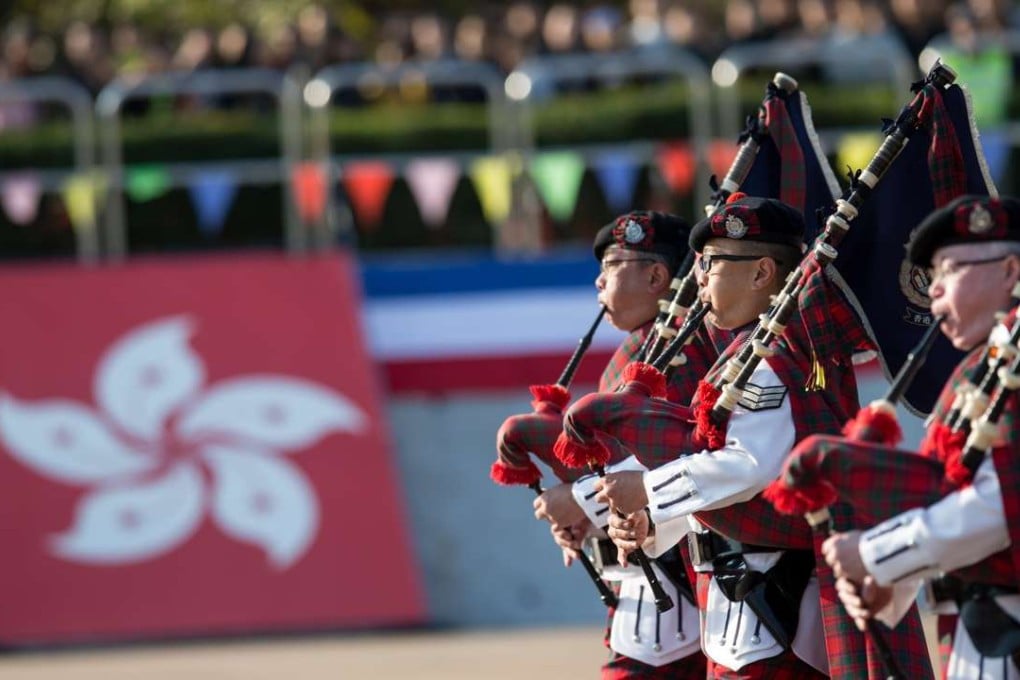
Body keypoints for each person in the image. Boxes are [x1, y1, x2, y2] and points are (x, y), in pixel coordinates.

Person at [594, 196, 933, 679]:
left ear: (761, 275)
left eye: (711, 264)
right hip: (734, 602)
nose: (699, 279)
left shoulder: (770, 359)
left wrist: (649, 493)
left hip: (771, 603)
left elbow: (750, 466)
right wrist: (651, 522)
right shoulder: (738, 358)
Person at [819, 194, 1020, 679]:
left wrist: (875, 554)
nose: (933, 292)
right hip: (979, 631)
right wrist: (890, 581)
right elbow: (945, 491)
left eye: (950, 270)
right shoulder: (981, 367)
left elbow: (999, 509)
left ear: (1011, 271)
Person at [529, 210, 726, 678]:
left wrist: (578, 503)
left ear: (658, 276)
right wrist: (589, 522)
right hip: (640, 586)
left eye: (612, 265)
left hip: (680, 581)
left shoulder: (681, 351)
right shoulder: (633, 353)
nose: (598, 282)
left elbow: (672, 455)